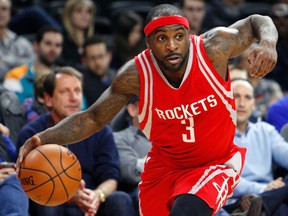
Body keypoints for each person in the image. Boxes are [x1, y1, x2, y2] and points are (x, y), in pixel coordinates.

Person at [17, 4, 278, 216]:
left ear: (188, 36)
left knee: (187, 211)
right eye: (162, 38)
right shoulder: (134, 76)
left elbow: (257, 20)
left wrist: (268, 42)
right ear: (149, 43)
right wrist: (42, 138)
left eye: (178, 36)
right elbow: (93, 118)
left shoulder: (214, 48)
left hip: (214, 162)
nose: (172, 45)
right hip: (164, 168)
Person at [17, 67, 134, 216]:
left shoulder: (102, 132)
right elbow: (28, 183)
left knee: (120, 199)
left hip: (90, 199)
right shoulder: (32, 135)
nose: (73, 98)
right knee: (49, 201)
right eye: (65, 91)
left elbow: (111, 177)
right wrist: (69, 194)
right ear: (48, 99)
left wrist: (97, 196)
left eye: (77, 91)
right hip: (53, 198)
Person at [223, 78, 288, 216]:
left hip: (269, 197)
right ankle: (262, 205)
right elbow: (225, 179)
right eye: (236, 96)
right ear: (225, 99)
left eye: (247, 98)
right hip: (234, 201)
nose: (241, 103)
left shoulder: (265, 130)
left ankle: (262, 206)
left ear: (253, 104)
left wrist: (265, 194)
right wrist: (263, 188)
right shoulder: (214, 135)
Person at [3, 26, 63, 104]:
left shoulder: (65, 77)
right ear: (36, 45)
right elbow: (13, 111)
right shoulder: (15, 76)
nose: (53, 49)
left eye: (57, 45)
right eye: (48, 43)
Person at [113, 96, 152, 215]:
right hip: (142, 190)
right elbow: (131, 172)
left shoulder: (175, 135)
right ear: (132, 110)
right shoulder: (120, 138)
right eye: (149, 102)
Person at [0, 0, 34, 82]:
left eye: (4, 9)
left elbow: (32, 65)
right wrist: (19, 64)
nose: (0, 12)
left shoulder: (21, 42)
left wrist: (4, 60)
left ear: (10, 13)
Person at [0, 122, 29, 216]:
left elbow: (17, 158)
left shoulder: (3, 140)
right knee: (13, 183)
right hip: (10, 185)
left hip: (11, 183)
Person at [81, 36, 115, 108]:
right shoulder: (80, 83)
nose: (98, 63)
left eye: (101, 56)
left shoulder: (121, 77)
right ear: (84, 61)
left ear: (109, 56)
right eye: (92, 58)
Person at [60, 0, 96, 68]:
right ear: (69, 15)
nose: (84, 16)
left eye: (88, 12)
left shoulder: (93, 40)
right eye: (79, 11)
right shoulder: (61, 39)